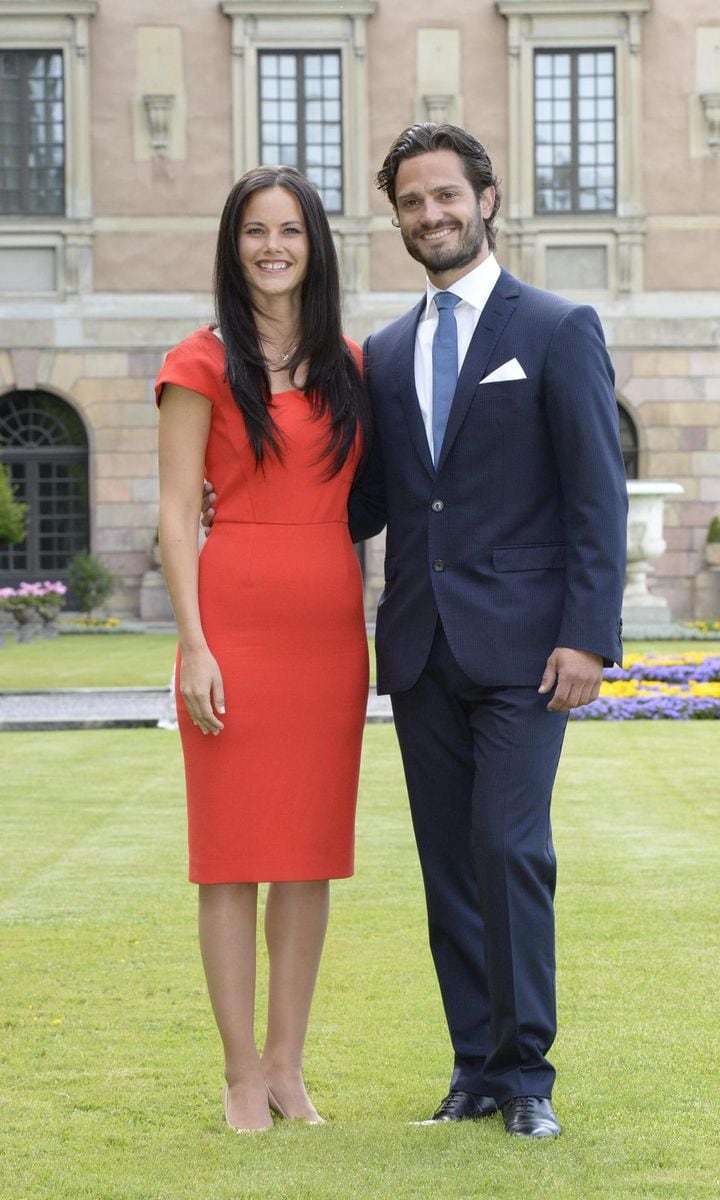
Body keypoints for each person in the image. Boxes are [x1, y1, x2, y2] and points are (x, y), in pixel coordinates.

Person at [203, 123, 628, 1138]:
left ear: (487, 198)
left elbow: (596, 495)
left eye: (447, 196)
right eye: (412, 202)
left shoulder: (558, 329)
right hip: (422, 647)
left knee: (507, 846)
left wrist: (589, 636)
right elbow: (371, 497)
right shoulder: (383, 353)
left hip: (529, 650)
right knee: (448, 860)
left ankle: (527, 1079)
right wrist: (251, 508)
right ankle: (474, 1069)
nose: (432, 215)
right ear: (394, 218)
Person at [156, 165, 371, 1133]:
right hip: (231, 623)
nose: (272, 247)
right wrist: (193, 645)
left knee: (307, 857)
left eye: (290, 229)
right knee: (231, 857)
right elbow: (171, 514)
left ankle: (289, 1067)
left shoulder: (353, 370)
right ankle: (239, 1073)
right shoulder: (197, 364)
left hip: (329, 629)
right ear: (232, 245)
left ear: (314, 245)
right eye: (254, 230)